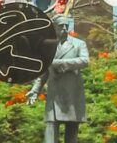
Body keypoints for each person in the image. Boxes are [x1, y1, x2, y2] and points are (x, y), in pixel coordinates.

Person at [30, 15, 88, 143]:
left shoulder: (78, 44)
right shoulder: (48, 46)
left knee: (72, 130)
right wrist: (35, 90)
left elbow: (84, 60)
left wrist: (60, 63)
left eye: (66, 26)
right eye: (61, 26)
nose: (64, 29)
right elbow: (44, 71)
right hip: (54, 93)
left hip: (72, 93)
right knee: (50, 125)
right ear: (54, 27)